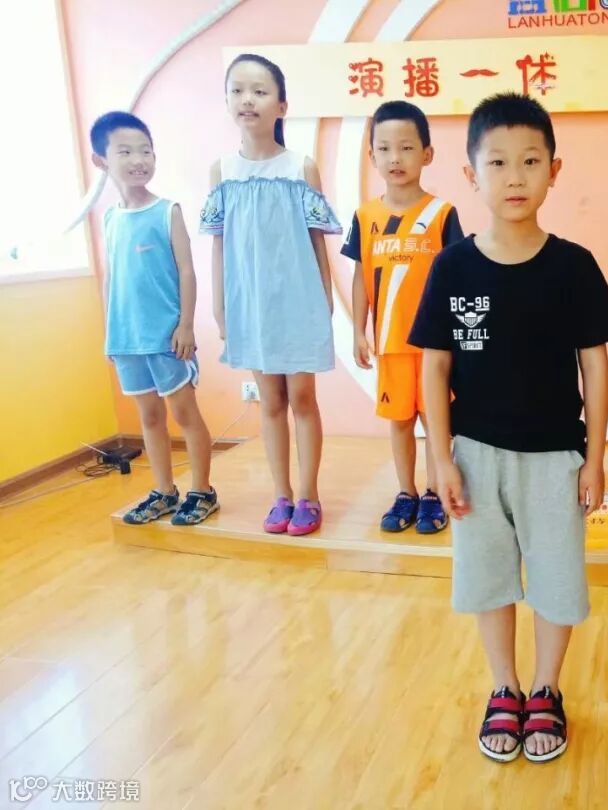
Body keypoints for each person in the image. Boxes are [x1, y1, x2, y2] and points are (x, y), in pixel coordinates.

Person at [408, 93, 608, 763]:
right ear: (470, 175)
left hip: (555, 457)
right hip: (475, 456)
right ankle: (503, 687)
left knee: (557, 579)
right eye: (497, 162)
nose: (514, 177)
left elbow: (596, 367)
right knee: (488, 575)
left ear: (554, 171)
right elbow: (433, 366)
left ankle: (546, 688)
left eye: (530, 161)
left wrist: (595, 458)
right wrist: (440, 458)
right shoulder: (452, 267)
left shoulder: (574, 265)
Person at [200, 54, 341, 536]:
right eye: (238, 90)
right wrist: (220, 306)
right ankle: (281, 495)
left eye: (260, 91)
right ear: (227, 100)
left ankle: (309, 496)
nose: (248, 99)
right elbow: (218, 244)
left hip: (298, 299)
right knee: (270, 400)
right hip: (252, 304)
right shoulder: (222, 171)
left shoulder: (300, 167)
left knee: (302, 397)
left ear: (282, 106)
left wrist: (325, 299)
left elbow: (317, 242)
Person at [341, 101, 464, 534]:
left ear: (427, 154)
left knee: (435, 421)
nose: (395, 158)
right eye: (385, 148)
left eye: (407, 147)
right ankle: (406, 492)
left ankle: (433, 492)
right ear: (371, 156)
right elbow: (361, 277)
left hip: (433, 346)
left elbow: (458, 276)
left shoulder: (442, 213)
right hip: (390, 342)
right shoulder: (365, 216)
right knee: (399, 422)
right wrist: (358, 330)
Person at [91, 111, 218, 526]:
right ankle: (164, 491)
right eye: (126, 152)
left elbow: (187, 271)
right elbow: (112, 279)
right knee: (149, 418)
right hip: (128, 340)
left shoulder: (167, 211)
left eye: (145, 151)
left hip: (166, 338)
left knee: (185, 415)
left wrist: (186, 325)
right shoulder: (110, 218)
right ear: (101, 160)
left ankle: (203, 490)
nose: (138, 160)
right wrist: (111, 334)